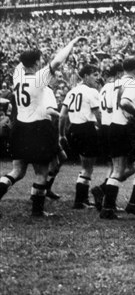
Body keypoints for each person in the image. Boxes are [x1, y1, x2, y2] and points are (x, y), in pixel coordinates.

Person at [0, 36, 85, 217]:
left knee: (17, 170)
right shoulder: (38, 79)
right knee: (41, 172)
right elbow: (57, 61)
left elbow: (21, 64)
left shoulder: (17, 77)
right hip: (37, 128)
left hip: (19, 128)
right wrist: (72, 43)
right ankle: (37, 211)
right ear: (37, 62)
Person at [100, 52, 135, 220]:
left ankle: (107, 207)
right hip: (127, 127)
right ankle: (134, 203)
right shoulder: (132, 83)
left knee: (117, 169)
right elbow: (125, 102)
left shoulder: (115, 83)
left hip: (114, 126)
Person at [59, 65, 102, 209]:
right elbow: (97, 114)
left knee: (85, 166)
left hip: (74, 129)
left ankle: (82, 199)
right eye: (95, 74)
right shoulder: (92, 92)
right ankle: (80, 201)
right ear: (85, 76)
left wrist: (62, 134)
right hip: (86, 129)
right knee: (87, 168)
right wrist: (103, 129)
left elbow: (62, 115)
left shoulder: (72, 91)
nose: (97, 78)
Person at [90, 63, 123, 211]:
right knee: (123, 168)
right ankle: (104, 191)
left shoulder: (104, 88)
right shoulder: (115, 86)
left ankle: (106, 197)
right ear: (118, 73)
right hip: (112, 126)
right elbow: (112, 106)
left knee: (113, 166)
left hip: (105, 126)